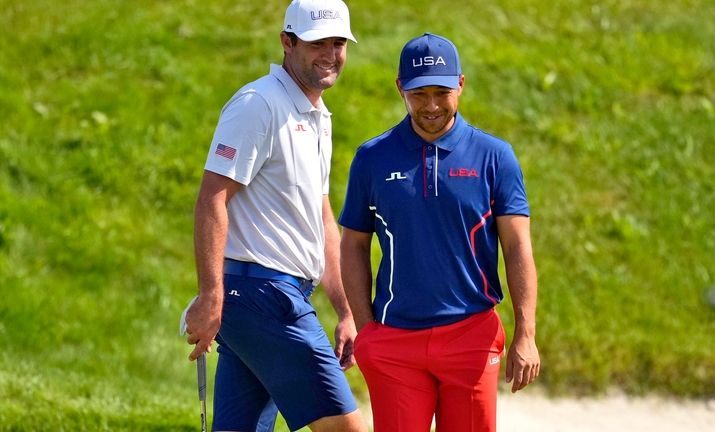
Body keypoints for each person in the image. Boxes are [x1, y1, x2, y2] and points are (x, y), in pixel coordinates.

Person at [339, 32, 540, 432]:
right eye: (419, 93)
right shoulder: (372, 158)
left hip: (472, 336)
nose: (431, 105)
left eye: (442, 92)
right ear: (400, 88)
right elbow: (353, 246)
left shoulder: (495, 157)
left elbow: (518, 248)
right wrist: (367, 332)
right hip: (394, 341)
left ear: (461, 85)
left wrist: (526, 333)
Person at [183, 1, 367, 431]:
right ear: (287, 42)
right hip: (264, 297)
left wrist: (346, 310)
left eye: (338, 42)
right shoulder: (258, 105)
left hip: (273, 298)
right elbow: (213, 197)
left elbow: (321, 220)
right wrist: (211, 295)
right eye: (316, 42)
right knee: (346, 429)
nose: (330, 53)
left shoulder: (318, 116)